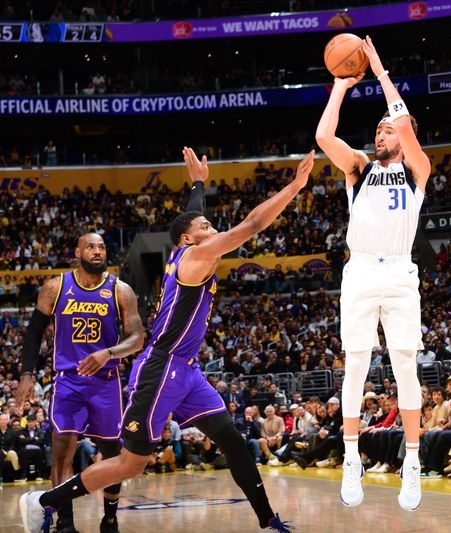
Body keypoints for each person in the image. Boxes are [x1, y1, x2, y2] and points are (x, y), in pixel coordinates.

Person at [19, 146, 314, 533]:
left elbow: (190, 218)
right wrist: (294, 185)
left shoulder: (185, 250)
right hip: (161, 368)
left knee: (233, 440)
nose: (212, 229)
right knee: (131, 463)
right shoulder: (196, 257)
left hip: (186, 371)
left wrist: (198, 184)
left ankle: (268, 521)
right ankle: (42, 501)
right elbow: (253, 225)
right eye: (206, 227)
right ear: (189, 240)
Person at [315, 36, 431, 511]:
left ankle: (413, 462)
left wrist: (380, 71)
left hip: (401, 271)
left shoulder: (417, 169)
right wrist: (341, 87)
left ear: (402, 137)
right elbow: (325, 138)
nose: (381, 134)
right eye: (379, 131)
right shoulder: (360, 167)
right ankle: (349, 458)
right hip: (360, 270)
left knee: (405, 366)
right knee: (356, 365)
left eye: (388, 131)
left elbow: (402, 120)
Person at [17, 231, 144, 533]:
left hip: (106, 381)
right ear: (78, 251)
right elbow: (34, 333)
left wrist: (108, 353)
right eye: (91, 246)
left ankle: (110, 517)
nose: (97, 251)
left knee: (114, 453)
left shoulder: (120, 290)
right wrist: (26, 374)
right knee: (62, 449)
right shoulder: (55, 287)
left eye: (101, 246)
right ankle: (65, 521)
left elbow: (138, 339)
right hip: (68, 381)